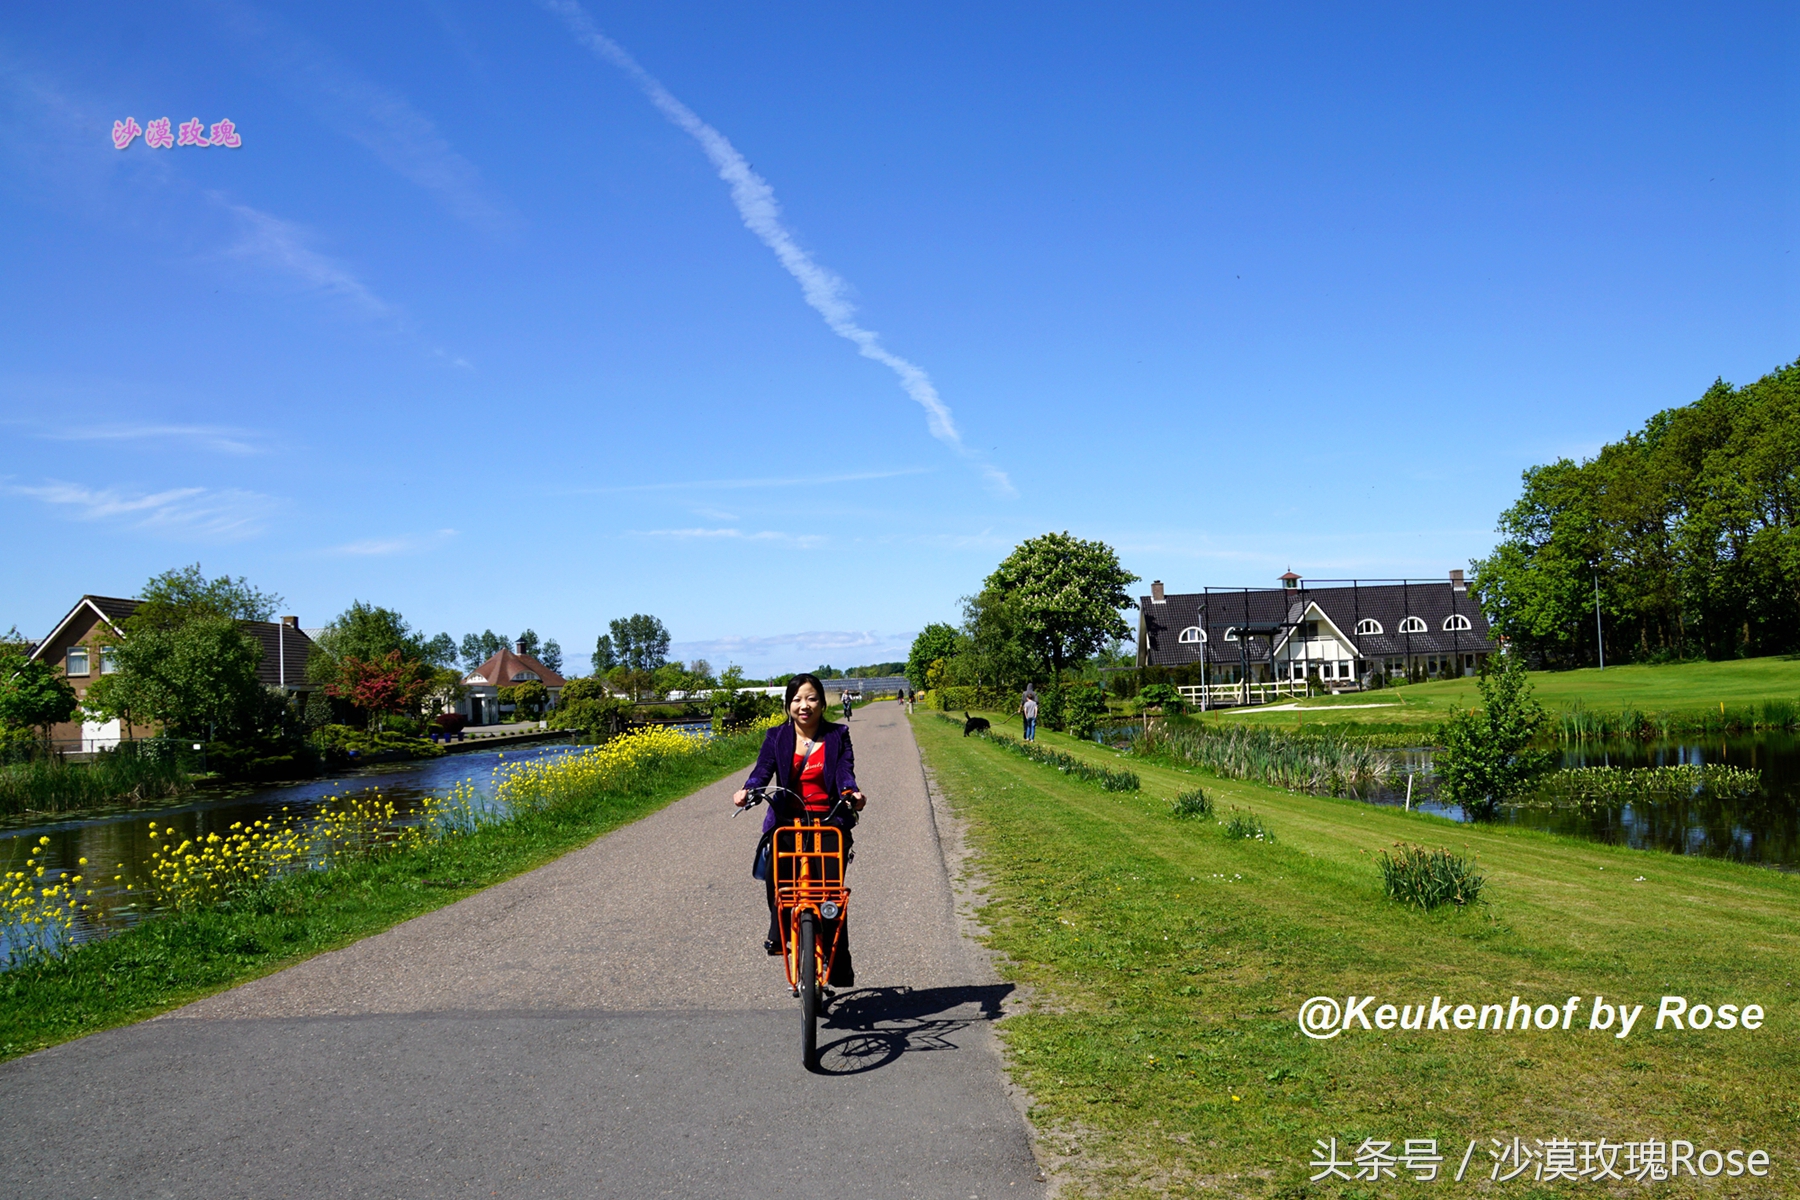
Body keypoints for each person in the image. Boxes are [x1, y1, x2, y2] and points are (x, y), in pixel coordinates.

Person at [734, 674, 865, 986]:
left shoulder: (838, 734)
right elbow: (763, 769)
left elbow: (845, 770)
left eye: (811, 698)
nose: (804, 706)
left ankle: (839, 962)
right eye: (796, 699)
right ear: (788, 704)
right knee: (775, 874)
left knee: (830, 895)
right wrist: (749, 789)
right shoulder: (776, 736)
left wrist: (851, 793)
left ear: (821, 702)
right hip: (788, 821)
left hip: (829, 821)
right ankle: (779, 929)